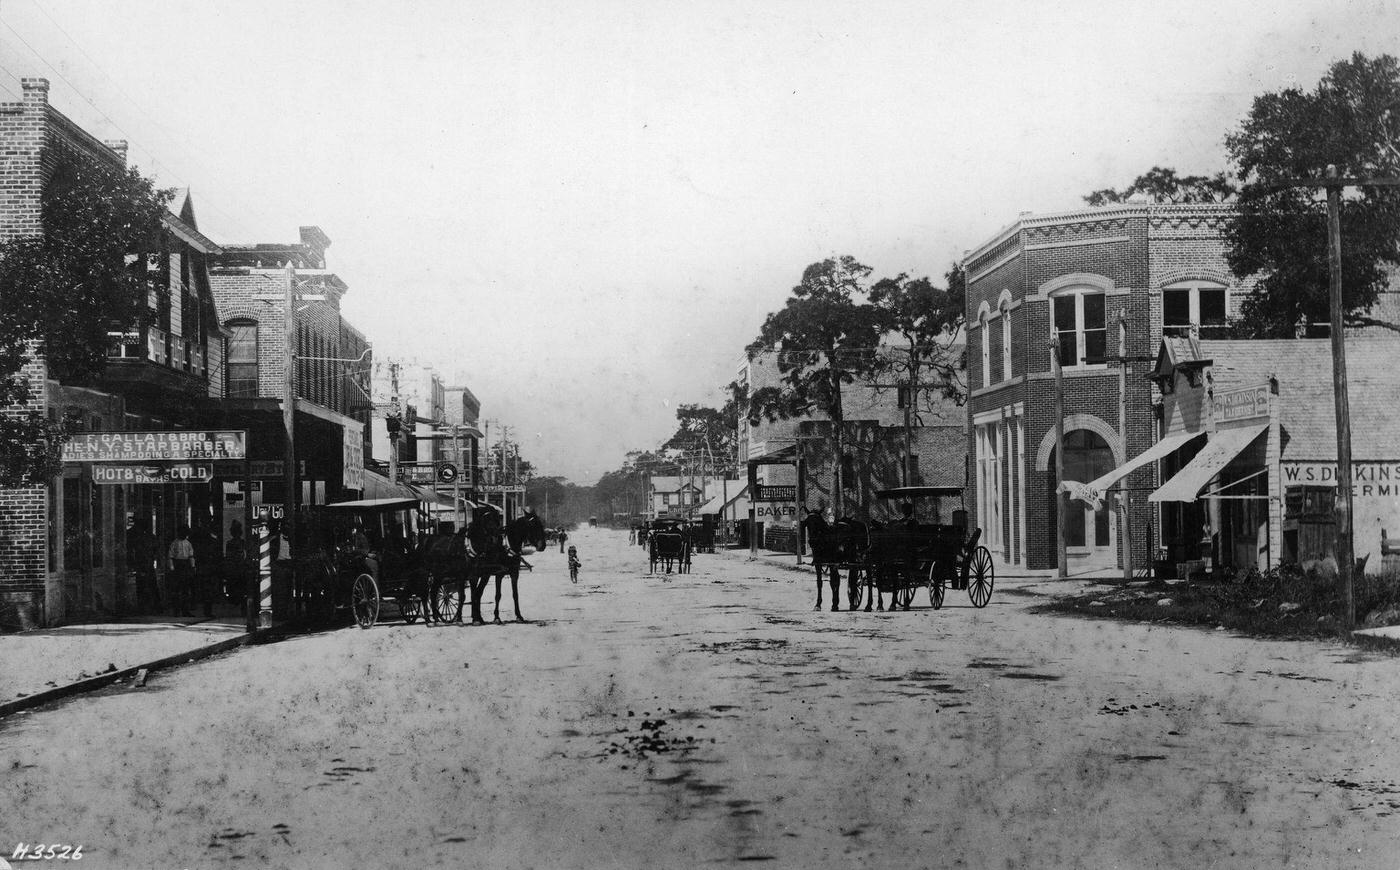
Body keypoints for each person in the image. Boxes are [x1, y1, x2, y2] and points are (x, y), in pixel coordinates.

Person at [127, 519, 160, 614]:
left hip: (141, 565)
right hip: (149, 565)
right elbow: (156, 551)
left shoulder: (138, 538)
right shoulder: (152, 537)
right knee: (152, 586)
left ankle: (144, 608)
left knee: (142, 587)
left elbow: (133, 552)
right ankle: (155, 607)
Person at [168, 525, 196, 617]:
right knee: (176, 590)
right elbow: (170, 556)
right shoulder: (174, 543)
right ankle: (176, 610)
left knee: (185, 590)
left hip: (186, 565)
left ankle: (185, 610)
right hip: (177, 566)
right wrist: (172, 567)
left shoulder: (188, 543)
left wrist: (192, 566)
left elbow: (191, 556)